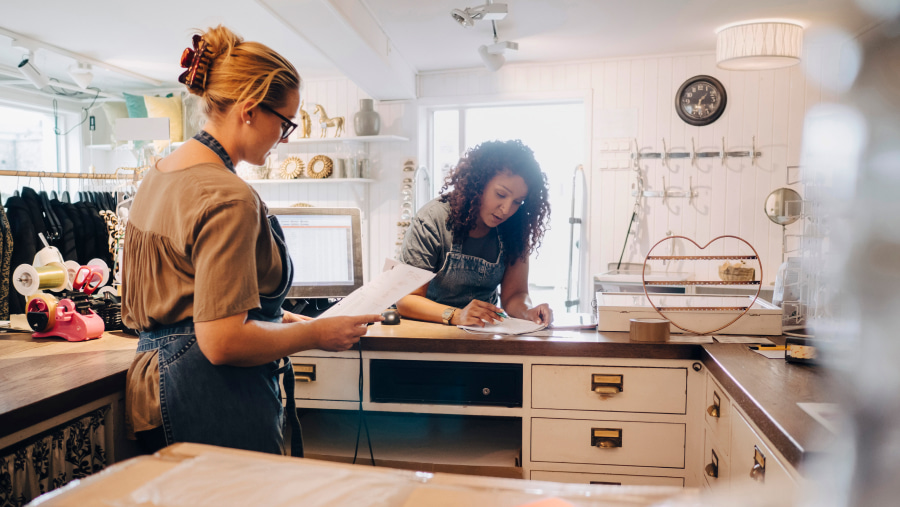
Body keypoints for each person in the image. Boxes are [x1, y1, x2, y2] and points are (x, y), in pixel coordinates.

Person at [121, 26, 382, 457]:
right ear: (248, 111)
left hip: (156, 385)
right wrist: (316, 334)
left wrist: (295, 322)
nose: (285, 139)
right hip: (213, 393)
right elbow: (222, 340)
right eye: (285, 124)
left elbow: (192, 302)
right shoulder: (227, 195)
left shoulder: (159, 174)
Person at [397, 139, 553, 327]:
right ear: (478, 184)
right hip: (426, 332)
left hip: (480, 333)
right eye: (501, 195)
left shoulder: (515, 228)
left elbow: (515, 295)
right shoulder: (433, 219)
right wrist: (457, 315)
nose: (506, 209)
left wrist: (527, 311)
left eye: (517, 202)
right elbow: (407, 299)